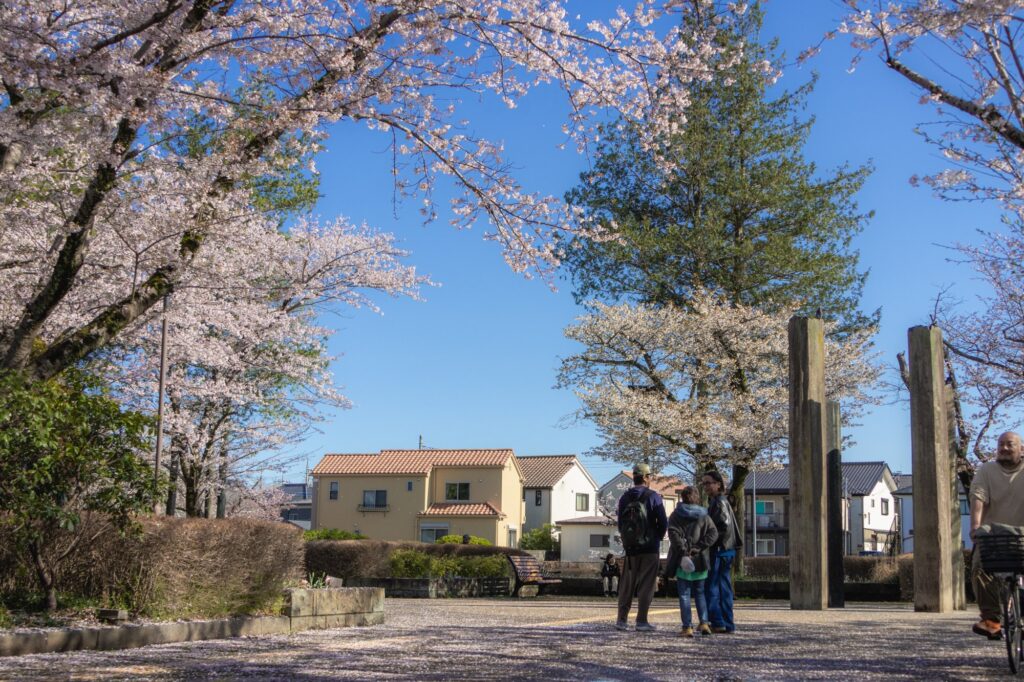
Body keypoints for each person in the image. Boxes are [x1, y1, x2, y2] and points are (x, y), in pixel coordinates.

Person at [970, 431, 1024, 639]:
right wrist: (975, 526)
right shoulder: (987, 470)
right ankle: (991, 619)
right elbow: (978, 497)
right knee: (979, 568)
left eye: (1010, 444)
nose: (1004, 448)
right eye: (1001, 444)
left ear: (1021, 448)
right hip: (994, 536)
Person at [615, 463, 668, 632]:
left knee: (627, 584)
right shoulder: (654, 497)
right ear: (646, 478)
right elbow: (663, 522)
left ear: (634, 477)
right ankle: (641, 621)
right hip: (649, 547)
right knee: (646, 584)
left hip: (630, 548)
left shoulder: (624, 497)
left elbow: (620, 523)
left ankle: (622, 620)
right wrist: (657, 538)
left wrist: (627, 539)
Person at [663, 485, 718, 638]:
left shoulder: (676, 515)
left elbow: (673, 534)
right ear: (697, 498)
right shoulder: (704, 515)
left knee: (684, 595)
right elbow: (713, 533)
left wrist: (683, 549)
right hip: (700, 560)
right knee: (700, 593)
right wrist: (699, 547)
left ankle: (687, 627)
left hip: (683, 560)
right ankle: (704, 622)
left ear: (683, 498)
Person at [702, 469, 741, 634]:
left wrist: (707, 541)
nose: (706, 487)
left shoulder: (718, 502)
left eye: (709, 483)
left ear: (718, 484)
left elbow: (722, 526)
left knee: (712, 587)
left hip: (719, 549)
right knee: (724, 587)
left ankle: (718, 622)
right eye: (704, 483)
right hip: (727, 549)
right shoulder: (721, 501)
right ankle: (727, 622)